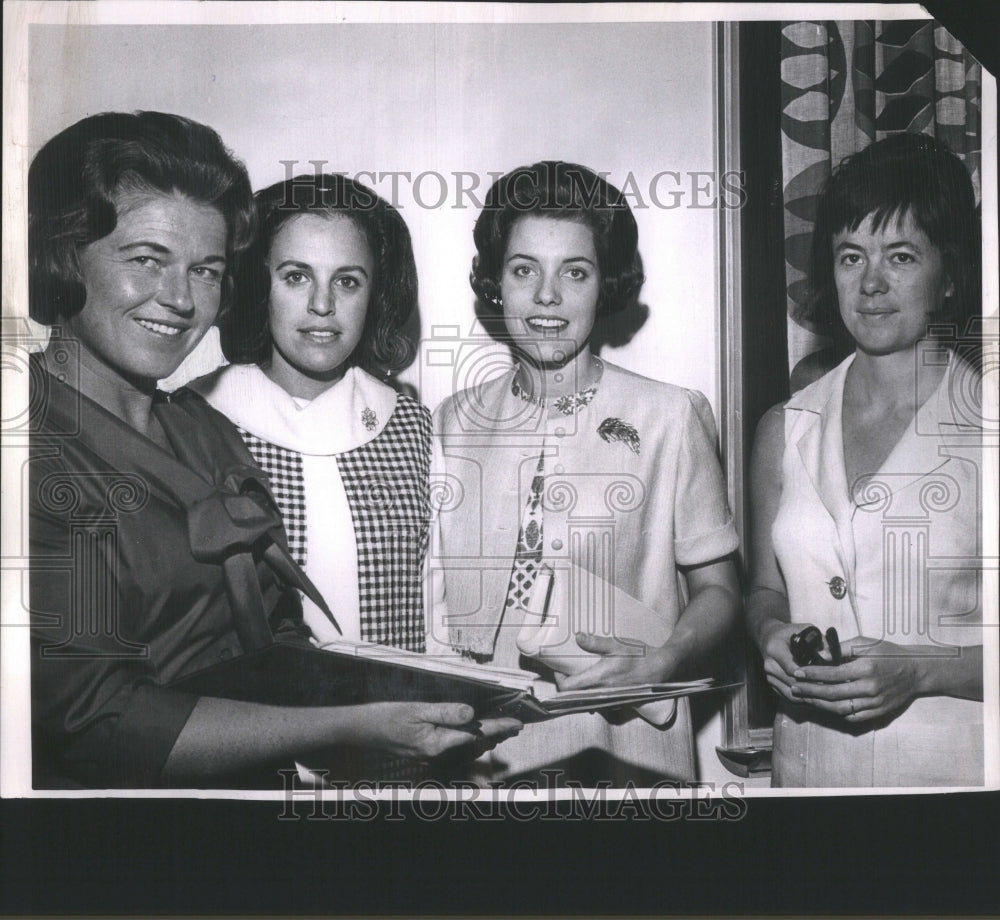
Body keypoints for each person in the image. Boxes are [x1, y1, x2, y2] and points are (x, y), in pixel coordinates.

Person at [27, 111, 520, 789]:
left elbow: (276, 640)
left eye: (205, 270)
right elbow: (97, 723)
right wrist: (352, 730)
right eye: (147, 259)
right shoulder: (28, 453)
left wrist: (431, 713)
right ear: (62, 255)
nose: (178, 299)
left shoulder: (202, 430)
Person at [429, 161, 741, 785]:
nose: (547, 296)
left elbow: (722, 593)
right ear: (495, 283)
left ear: (607, 285)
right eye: (524, 271)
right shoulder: (450, 422)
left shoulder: (669, 416)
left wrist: (664, 661)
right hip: (485, 760)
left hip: (628, 756)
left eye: (575, 271)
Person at [747, 133, 985, 787]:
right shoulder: (784, 427)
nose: (871, 283)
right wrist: (770, 635)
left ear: (951, 273)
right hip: (809, 777)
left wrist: (920, 668)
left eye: (900, 256)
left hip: (952, 788)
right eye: (851, 256)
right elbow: (766, 590)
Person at [192, 173, 428, 653]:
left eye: (347, 281)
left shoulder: (415, 428)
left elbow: (437, 612)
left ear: (375, 294)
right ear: (261, 286)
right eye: (296, 276)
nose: (323, 305)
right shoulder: (197, 422)